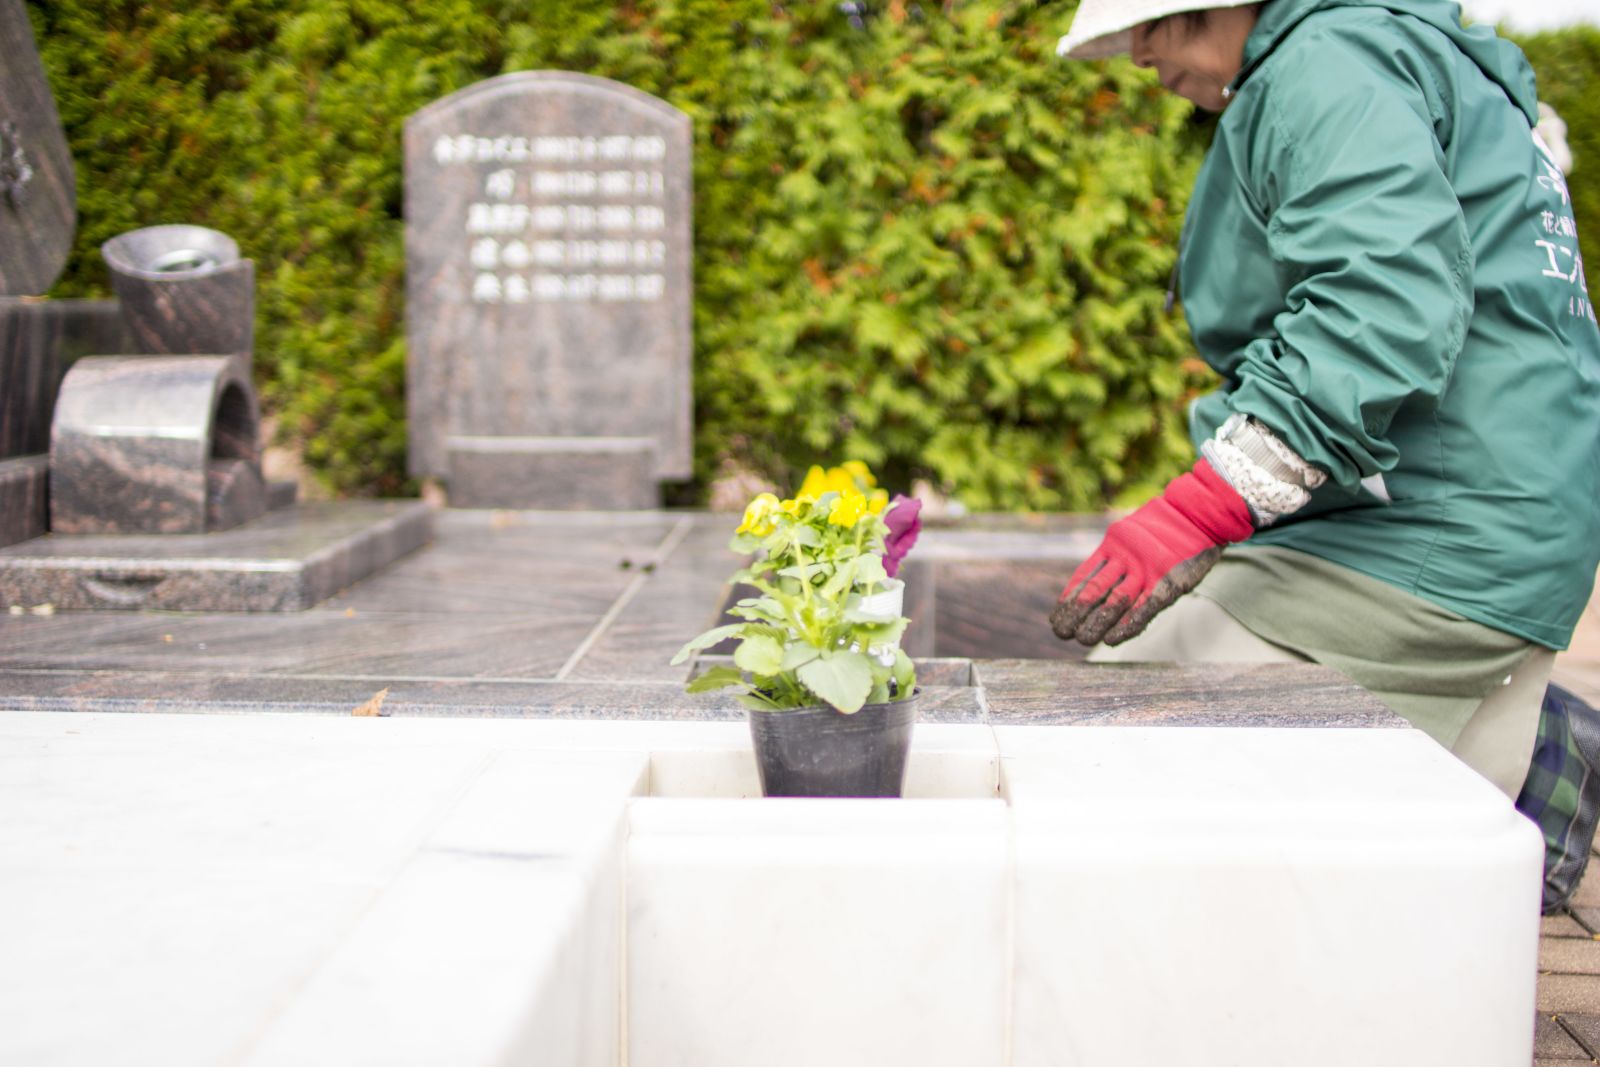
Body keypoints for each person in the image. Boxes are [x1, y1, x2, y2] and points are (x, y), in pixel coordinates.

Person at [1050, 0, 1600, 802]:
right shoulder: (1369, 50)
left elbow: (1379, 300)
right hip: (1491, 505)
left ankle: (1528, 771)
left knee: (1122, 728)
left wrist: (1208, 506)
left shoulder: (1329, 63)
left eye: (1152, 24)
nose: (1135, 52)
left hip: (1442, 530)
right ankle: (1525, 747)